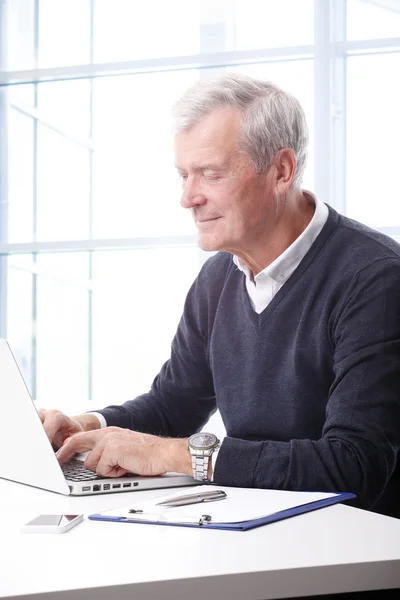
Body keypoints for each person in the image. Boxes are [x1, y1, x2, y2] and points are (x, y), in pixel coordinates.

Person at [40, 73, 400, 518]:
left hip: (356, 551)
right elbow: (173, 406)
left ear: (281, 171)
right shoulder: (217, 278)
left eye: (210, 174)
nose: (188, 198)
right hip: (258, 530)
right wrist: (87, 426)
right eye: (184, 175)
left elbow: (353, 464)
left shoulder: (376, 279)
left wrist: (175, 456)